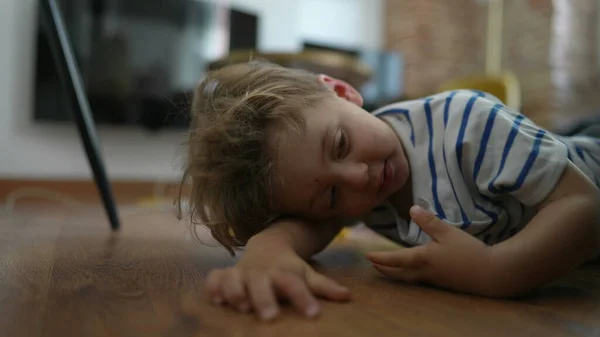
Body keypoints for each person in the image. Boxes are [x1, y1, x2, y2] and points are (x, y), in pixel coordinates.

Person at [177, 60, 600, 322]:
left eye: (340, 144)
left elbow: (584, 206)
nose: (358, 178)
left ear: (342, 91)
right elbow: (307, 224)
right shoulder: (360, 190)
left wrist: (493, 270)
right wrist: (265, 253)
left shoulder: (467, 125)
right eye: (330, 197)